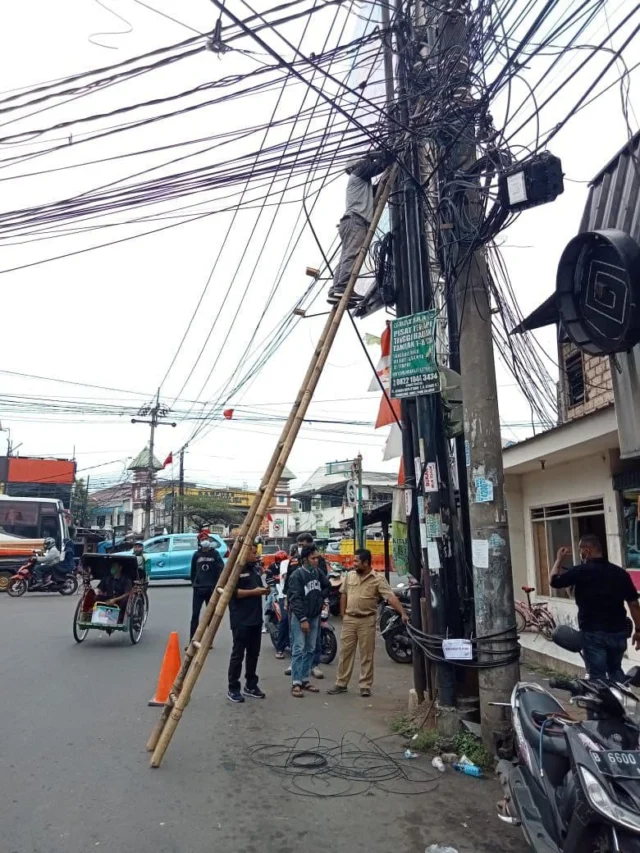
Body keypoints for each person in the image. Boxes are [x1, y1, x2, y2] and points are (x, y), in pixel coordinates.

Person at [550, 535, 640, 681]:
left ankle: (601, 703)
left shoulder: (580, 571)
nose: (581, 555)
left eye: (581, 551)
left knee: (597, 677)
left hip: (592, 635)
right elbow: (634, 603)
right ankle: (620, 701)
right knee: (615, 670)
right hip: (618, 633)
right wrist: (638, 630)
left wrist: (559, 560)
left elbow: (554, 581)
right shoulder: (620, 573)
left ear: (586, 551)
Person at [328, 548, 408, 698]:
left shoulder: (377, 579)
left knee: (367, 655)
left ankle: (365, 686)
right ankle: (341, 683)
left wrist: (402, 613)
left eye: (357, 561)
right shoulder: (350, 576)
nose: (354, 564)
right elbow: (343, 594)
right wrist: (344, 614)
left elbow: (390, 597)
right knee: (345, 652)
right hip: (350, 620)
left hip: (367, 620)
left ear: (366, 562)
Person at [327, 151, 394, 306]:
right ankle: (341, 287)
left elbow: (375, 191)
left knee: (346, 255)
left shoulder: (360, 183)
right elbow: (379, 167)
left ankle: (336, 289)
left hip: (349, 222)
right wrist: (386, 154)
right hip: (356, 221)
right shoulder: (358, 173)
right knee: (351, 254)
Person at [287, 544, 329, 698]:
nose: (316, 560)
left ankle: (305, 679)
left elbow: (327, 586)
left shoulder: (317, 573)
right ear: (305, 559)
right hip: (300, 618)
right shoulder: (297, 575)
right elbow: (295, 599)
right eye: (313, 558)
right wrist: (303, 618)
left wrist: (319, 599)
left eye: (317, 557)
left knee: (310, 648)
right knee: (299, 649)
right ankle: (296, 682)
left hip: (314, 616)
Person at [227, 544, 268, 703]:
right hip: (241, 619)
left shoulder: (255, 569)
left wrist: (264, 590)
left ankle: (251, 685)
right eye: (253, 552)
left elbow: (257, 587)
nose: (256, 555)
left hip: (255, 618)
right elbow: (233, 592)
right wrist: (254, 592)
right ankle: (233, 687)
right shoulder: (235, 570)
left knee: (253, 654)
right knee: (238, 654)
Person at [189, 537, 224, 640]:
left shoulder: (215, 554)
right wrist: (194, 583)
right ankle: (193, 639)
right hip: (199, 588)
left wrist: (217, 584)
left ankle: (209, 640)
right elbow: (193, 571)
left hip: (211, 588)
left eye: (206, 539)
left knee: (211, 615)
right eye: (203, 539)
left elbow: (221, 569)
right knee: (195, 615)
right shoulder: (196, 555)